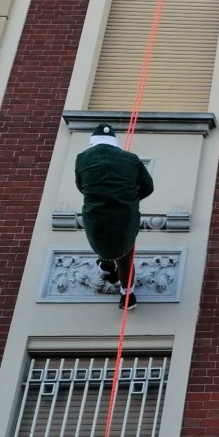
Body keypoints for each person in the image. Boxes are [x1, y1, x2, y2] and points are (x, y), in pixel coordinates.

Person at [75, 123, 154, 311]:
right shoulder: (131, 159)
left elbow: (81, 186)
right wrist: (129, 198)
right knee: (126, 256)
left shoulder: (82, 159)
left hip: (96, 215)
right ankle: (128, 296)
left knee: (102, 243)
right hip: (124, 216)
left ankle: (106, 266)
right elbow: (148, 186)